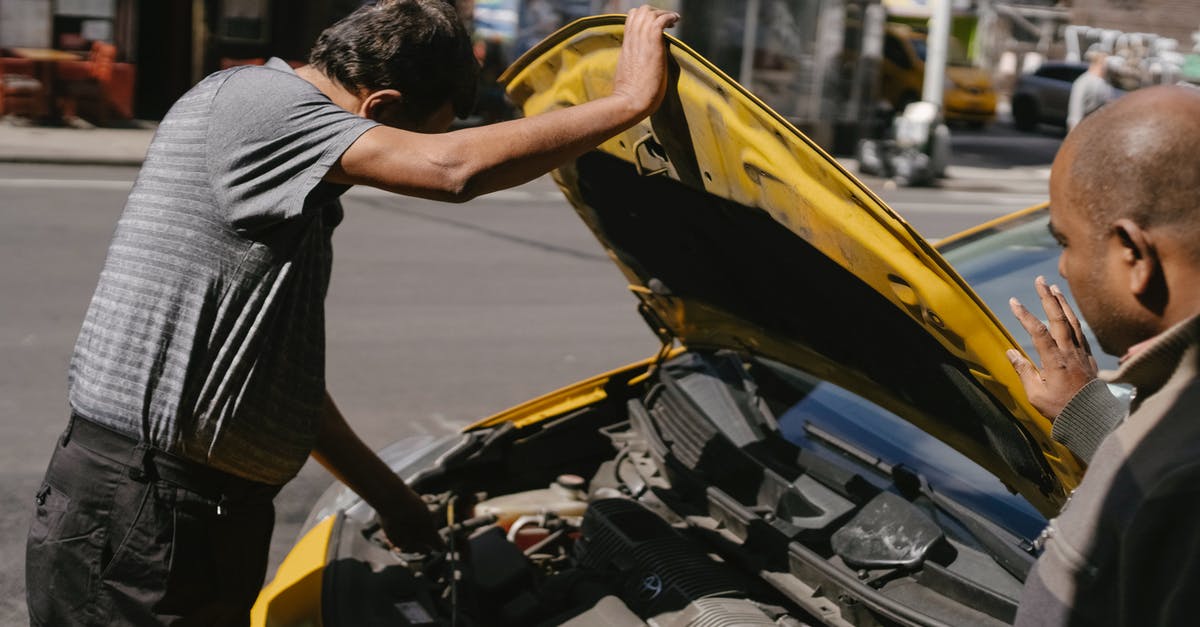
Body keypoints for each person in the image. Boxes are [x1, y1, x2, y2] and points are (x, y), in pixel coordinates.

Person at [24, 2, 680, 625]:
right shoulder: (262, 106)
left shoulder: (288, 174)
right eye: (422, 130)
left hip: (190, 508)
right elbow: (455, 170)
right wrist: (627, 102)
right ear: (379, 107)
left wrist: (393, 499)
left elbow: (279, 382)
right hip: (147, 508)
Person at [1003, 85, 1200, 625]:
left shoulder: (1184, 485)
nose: (1062, 268)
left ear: (1133, 253)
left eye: (1065, 241)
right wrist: (1092, 410)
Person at [1066, 48, 1112, 132]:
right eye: (1105, 63)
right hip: (1085, 130)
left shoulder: (1104, 83)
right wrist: (1073, 134)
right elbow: (1075, 113)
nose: (1107, 67)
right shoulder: (1083, 82)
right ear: (1098, 63)